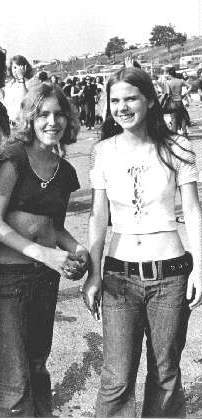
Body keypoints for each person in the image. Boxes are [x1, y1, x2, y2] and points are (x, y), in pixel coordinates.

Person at [83, 67, 202, 417]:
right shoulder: (102, 151)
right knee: (116, 378)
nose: (122, 107)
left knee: (165, 373)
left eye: (131, 98)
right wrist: (93, 274)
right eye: (115, 100)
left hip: (171, 275)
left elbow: (192, 210)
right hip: (119, 277)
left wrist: (199, 268)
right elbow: (97, 217)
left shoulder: (177, 146)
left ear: (149, 100)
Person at [0, 82, 88, 417]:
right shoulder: (14, 158)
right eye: (43, 114)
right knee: (13, 379)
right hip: (10, 280)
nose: (52, 121)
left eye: (59, 114)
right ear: (29, 118)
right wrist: (43, 253)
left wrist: (79, 250)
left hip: (46, 278)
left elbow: (54, 227)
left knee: (37, 365)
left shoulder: (65, 171)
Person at [0, 55, 34, 128]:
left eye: (19, 67)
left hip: (24, 125)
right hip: (9, 124)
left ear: (25, 68)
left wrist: (21, 78)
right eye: (14, 68)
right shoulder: (9, 85)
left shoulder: (31, 83)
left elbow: (24, 100)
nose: (17, 70)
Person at [166, 67, 190, 137]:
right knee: (182, 118)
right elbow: (190, 86)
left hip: (173, 102)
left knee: (174, 119)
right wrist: (184, 94)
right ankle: (185, 133)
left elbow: (168, 94)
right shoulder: (181, 81)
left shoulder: (168, 82)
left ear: (169, 74)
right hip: (180, 101)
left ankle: (175, 135)